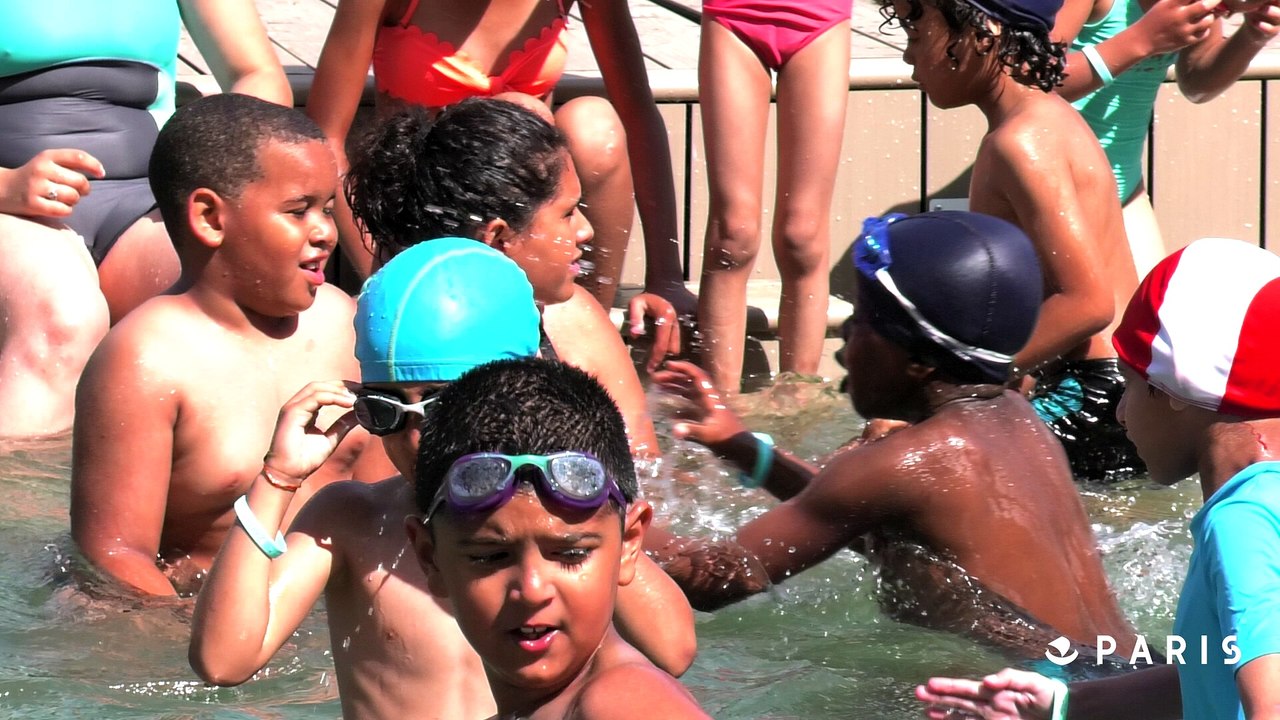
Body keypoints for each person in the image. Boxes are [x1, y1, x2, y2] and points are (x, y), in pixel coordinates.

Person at [190, 238, 695, 719]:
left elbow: (673, 648)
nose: (414, 435)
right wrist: (278, 478)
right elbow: (223, 661)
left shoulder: (562, 515)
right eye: (385, 409)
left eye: (441, 405)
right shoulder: (351, 521)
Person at [650, 211, 1139, 659]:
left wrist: (597, 509)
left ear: (919, 358)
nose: (845, 340)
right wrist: (743, 447)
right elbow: (855, 513)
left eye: (862, 323)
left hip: (1045, 693)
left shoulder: (911, 462)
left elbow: (716, 578)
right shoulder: (1015, 417)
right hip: (1124, 677)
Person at [915, 237, 1280, 719]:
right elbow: (1211, 674)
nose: (1120, 411)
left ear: (1176, 384)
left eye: (1129, 384)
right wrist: (1062, 706)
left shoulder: (1242, 521)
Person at [69, 94, 392, 597]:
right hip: (200, 613)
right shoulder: (146, 361)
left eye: (327, 209)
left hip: (332, 609)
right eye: (298, 210)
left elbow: (385, 505)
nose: (326, 232)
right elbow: (114, 555)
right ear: (210, 218)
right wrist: (207, 641)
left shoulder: (346, 324)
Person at [878, 0, 1144, 482]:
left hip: (1091, 396)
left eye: (916, 34)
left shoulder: (1023, 142)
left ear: (983, 34)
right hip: (1106, 389)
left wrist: (951, 383)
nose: (907, 57)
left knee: (892, 475)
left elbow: (1087, 303)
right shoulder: (1044, 120)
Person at [0, 0, 291, 438]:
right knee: (63, 316)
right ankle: (23, 500)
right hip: (12, 203)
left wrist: (209, 167)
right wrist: (6, 186)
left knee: (238, 291)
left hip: (145, 198)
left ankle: (249, 500)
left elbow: (257, 75)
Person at [306, 0, 691, 314]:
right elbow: (327, 142)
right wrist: (384, 277)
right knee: (522, 110)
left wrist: (666, 277)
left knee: (594, 125)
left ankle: (585, 313)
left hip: (529, 216)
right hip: (426, 216)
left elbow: (638, 115)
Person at [344, 97, 678, 457]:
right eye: (568, 214)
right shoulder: (391, 357)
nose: (586, 230)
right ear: (498, 239)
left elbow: (643, 474)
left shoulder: (573, 319)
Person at [405, 356, 710, 720]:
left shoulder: (625, 701)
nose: (533, 590)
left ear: (629, 544)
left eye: (571, 554)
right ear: (430, 557)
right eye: (490, 557)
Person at [1052, 0, 1280, 276]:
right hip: (1053, 188)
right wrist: (1142, 40)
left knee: (1146, 316)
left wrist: (1252, 36)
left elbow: (1195, 82)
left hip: (1124, 193)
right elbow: (1030, 77)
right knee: (1083, 310)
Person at [695, 0, 853, 393]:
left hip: (821, 18)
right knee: (734, 232)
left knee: (803, 234)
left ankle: (798, 404)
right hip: (734, 13)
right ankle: (719, 410)